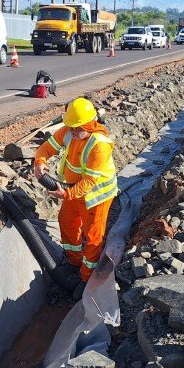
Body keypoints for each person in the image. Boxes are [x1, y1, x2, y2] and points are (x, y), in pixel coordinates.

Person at [33, 98, 118, 295]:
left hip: (97, 196)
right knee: (67, 221)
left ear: (88, 125)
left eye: (76, 128)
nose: (70, 131)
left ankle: (86, 277)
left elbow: (89, 182)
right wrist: (40, 161)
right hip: (73, 191)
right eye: (69, 127)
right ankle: (73, 260)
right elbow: (47, 147)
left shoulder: (99, 145)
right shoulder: (69, 131)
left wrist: (67, 193)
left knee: (93, 236)